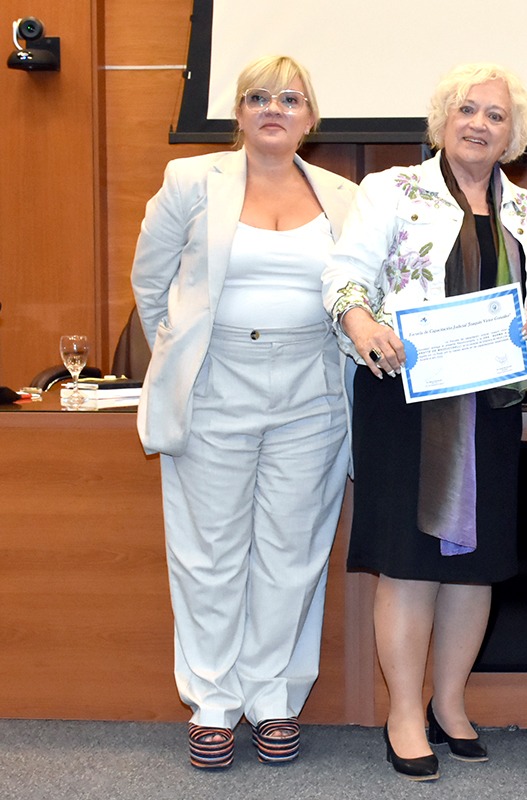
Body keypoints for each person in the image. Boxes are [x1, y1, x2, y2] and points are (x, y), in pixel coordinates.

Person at [320, 63, 527, 782]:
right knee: (408, 561)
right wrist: (363, 325)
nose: (479, 124)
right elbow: (344, 275)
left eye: (495, 115)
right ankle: (402, 713)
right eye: (467, 110)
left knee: (475, 566)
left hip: (490, 407)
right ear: (442, 121)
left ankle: (450, 704)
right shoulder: (392, 189)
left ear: (514, 135)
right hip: (405, 400)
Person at [131, 55, 354, 769]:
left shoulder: (345, 197)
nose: (273, 109)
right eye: (258, 97)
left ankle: (274, 698)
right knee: (209, 552)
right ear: (238, 111)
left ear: (310, 118)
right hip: (215, 384)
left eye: (289, 98)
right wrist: (184, 356)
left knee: (293, 551)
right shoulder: (190, 181)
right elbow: (150, 282)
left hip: (313, 391)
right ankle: (213, 703)